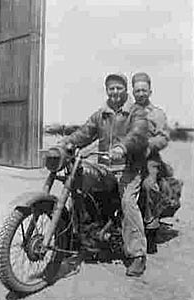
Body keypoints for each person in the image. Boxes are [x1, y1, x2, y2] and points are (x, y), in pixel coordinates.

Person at [48, 73, 148, 276]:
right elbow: (85, 132)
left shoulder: (136, 112)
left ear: (125, 89)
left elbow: (137, 134)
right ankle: (79, 238)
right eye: (111, 88)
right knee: (79, 183)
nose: (115, 92)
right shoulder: (100, 114)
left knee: (128, 203)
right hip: (105, 167)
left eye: (119, 87)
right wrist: (67, 143)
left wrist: (123, 147)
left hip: (129, 168)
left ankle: (137, 254)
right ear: (107, 90)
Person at [131, 72, 171, 253]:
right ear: (132, 92)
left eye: (143, 90)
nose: (140, 94)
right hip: (127, 158)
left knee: (149, 186)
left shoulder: (157, 113)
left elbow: (163, 137)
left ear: (150, 91)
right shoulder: (127, 112)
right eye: (137, 90)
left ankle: (151, 230)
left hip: (149, 159)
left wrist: (148, 146)